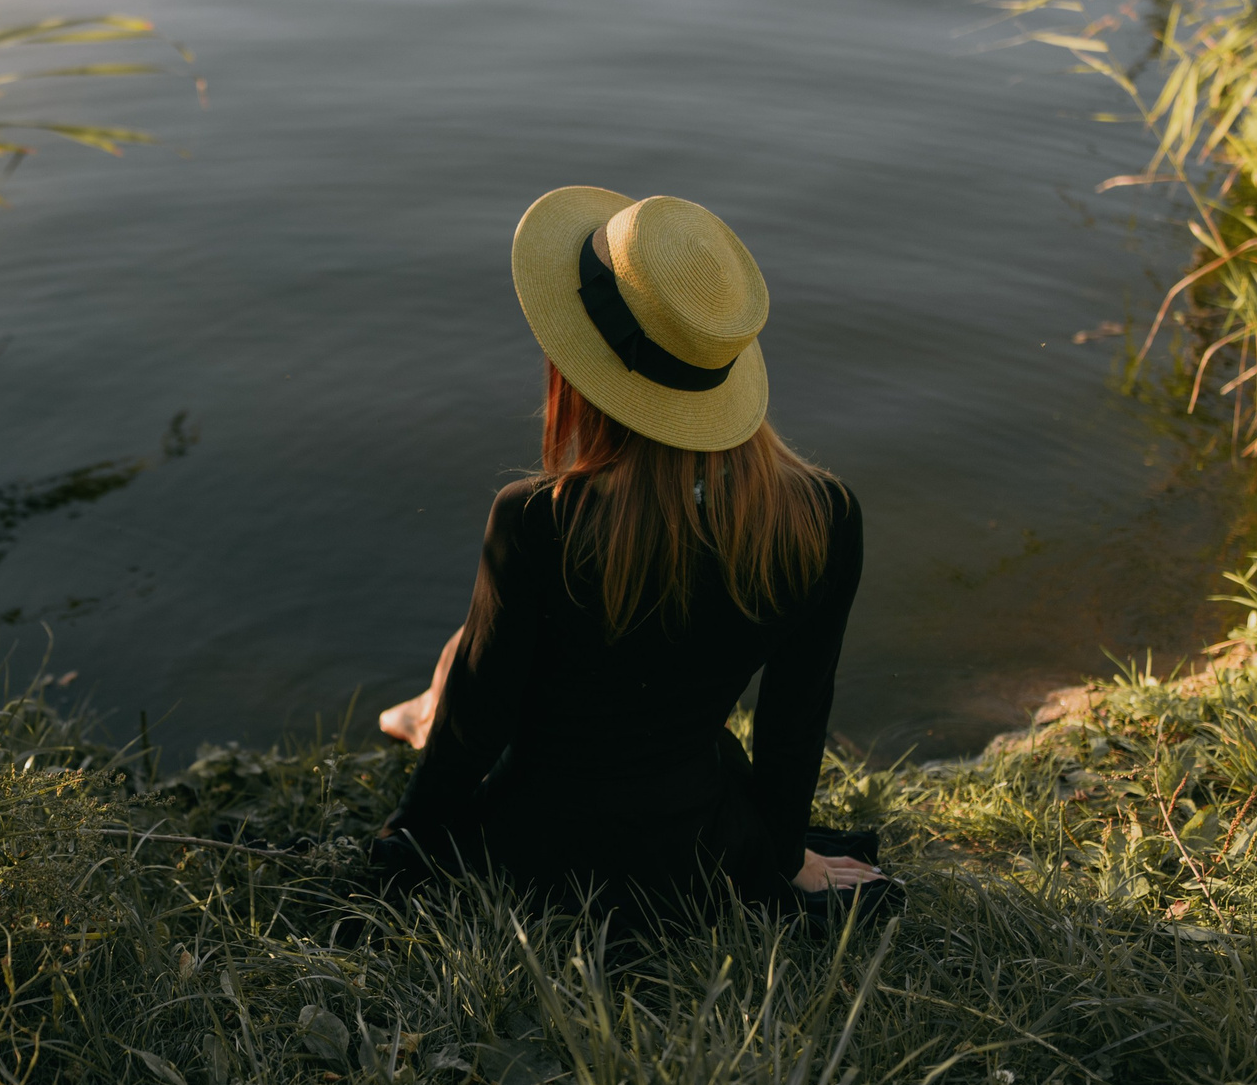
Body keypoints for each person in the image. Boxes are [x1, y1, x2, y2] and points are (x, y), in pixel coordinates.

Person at [373, 186, 886, 929]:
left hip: (536, 855)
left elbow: (479, 725)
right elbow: (792, 721)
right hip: (695, 849)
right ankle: (422, 707)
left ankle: (420, 709)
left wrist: (406, 840)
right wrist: (781, 855)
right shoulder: (824, 518)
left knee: (470, 656)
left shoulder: (535, 522)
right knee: (487, 655)